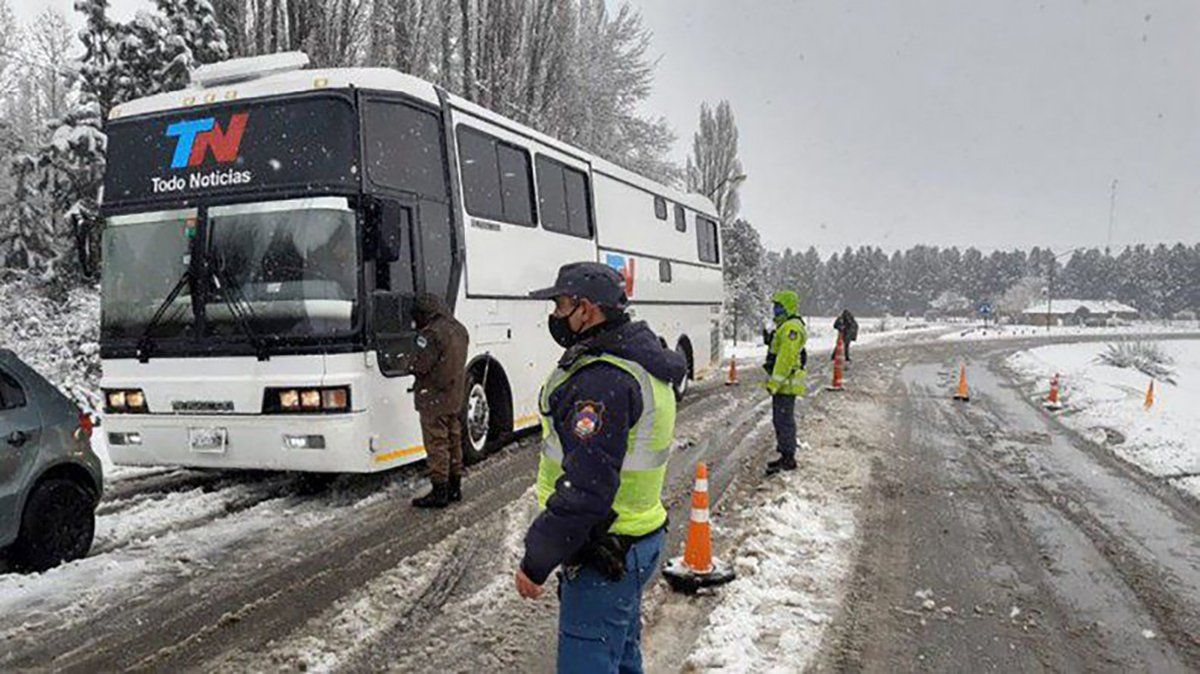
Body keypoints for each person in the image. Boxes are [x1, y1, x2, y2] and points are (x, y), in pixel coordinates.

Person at [515, 262, 686, 674]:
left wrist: (537, 558)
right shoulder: (640, 359)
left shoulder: (601, 380)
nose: (554, 316)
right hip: (638, 537)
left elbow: (586, 489)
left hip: (606, 549)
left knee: (590, 660)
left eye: (559, 306)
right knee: (622, 655)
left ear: (586, 309)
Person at [410, 292, 470, 509]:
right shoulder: (459, 329)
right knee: (454, 440)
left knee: (437, 443)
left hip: (433, 396)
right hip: (454, 395)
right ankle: (455, 487)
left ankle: (439, 491)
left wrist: (409, 362)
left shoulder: (431, 333)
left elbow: (420, 365)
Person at [764, 290, 808, 475]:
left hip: (786, 384)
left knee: (784, 421)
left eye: (779, 306)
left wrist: (775, 383)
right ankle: (784, 455)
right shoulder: (785, 327)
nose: (775, 310)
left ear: (787, 307)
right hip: (784, 384)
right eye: (775, 306)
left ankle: (788, 459)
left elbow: (785, 358)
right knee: (780, 420)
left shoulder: (791, 328)